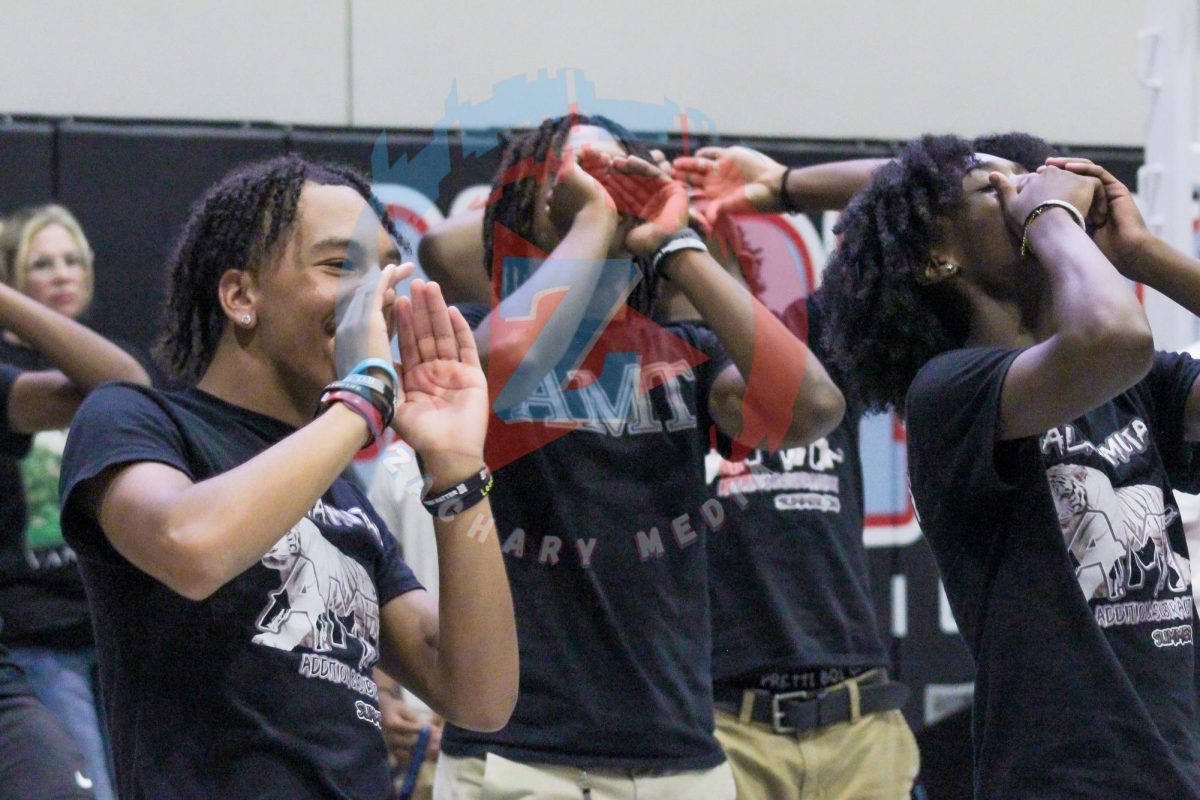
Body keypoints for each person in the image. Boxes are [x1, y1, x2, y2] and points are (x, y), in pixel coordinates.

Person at [56, 154, 518, 800]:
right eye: (339, 266)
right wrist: (364, 399)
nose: (377, 296)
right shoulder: (135, 419)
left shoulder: (344, 499)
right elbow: (193, 547)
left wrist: (458, 468)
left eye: (385, 269)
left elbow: (479, 693)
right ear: (241, 297)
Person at [422, 114, 844, 799]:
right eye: (583, 165)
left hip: (679, 760)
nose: (610, 177)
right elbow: (505, 367)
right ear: (523, 204)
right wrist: (592, 218)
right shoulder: (469, 334)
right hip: (516, 760)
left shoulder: (681, 351)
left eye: (621, 163)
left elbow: (814, 406)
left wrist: (673, 243)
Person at [819, 134, 1200, 798]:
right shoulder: (950, 392)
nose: (1025, 191)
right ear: (940, 258)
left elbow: (1114, 347)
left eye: (1029, 180)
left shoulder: (1130, 385)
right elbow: (1113, 339)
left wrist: (1145, 257)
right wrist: (1056, 220)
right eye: (992, 188)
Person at [668, 145, 919, 799]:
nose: (686, 239)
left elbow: (924, 192)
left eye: (697, 227)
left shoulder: (813, 341)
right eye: (670, 234)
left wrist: (779, 187)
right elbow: (450, 251)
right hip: (716, 728)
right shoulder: (622, 381)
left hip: (860, 724)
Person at [0, 256, 148, 797]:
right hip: (35, 635)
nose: (61, 274)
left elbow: (123, 382)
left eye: (71, 261)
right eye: (42, 263)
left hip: (81, 640)